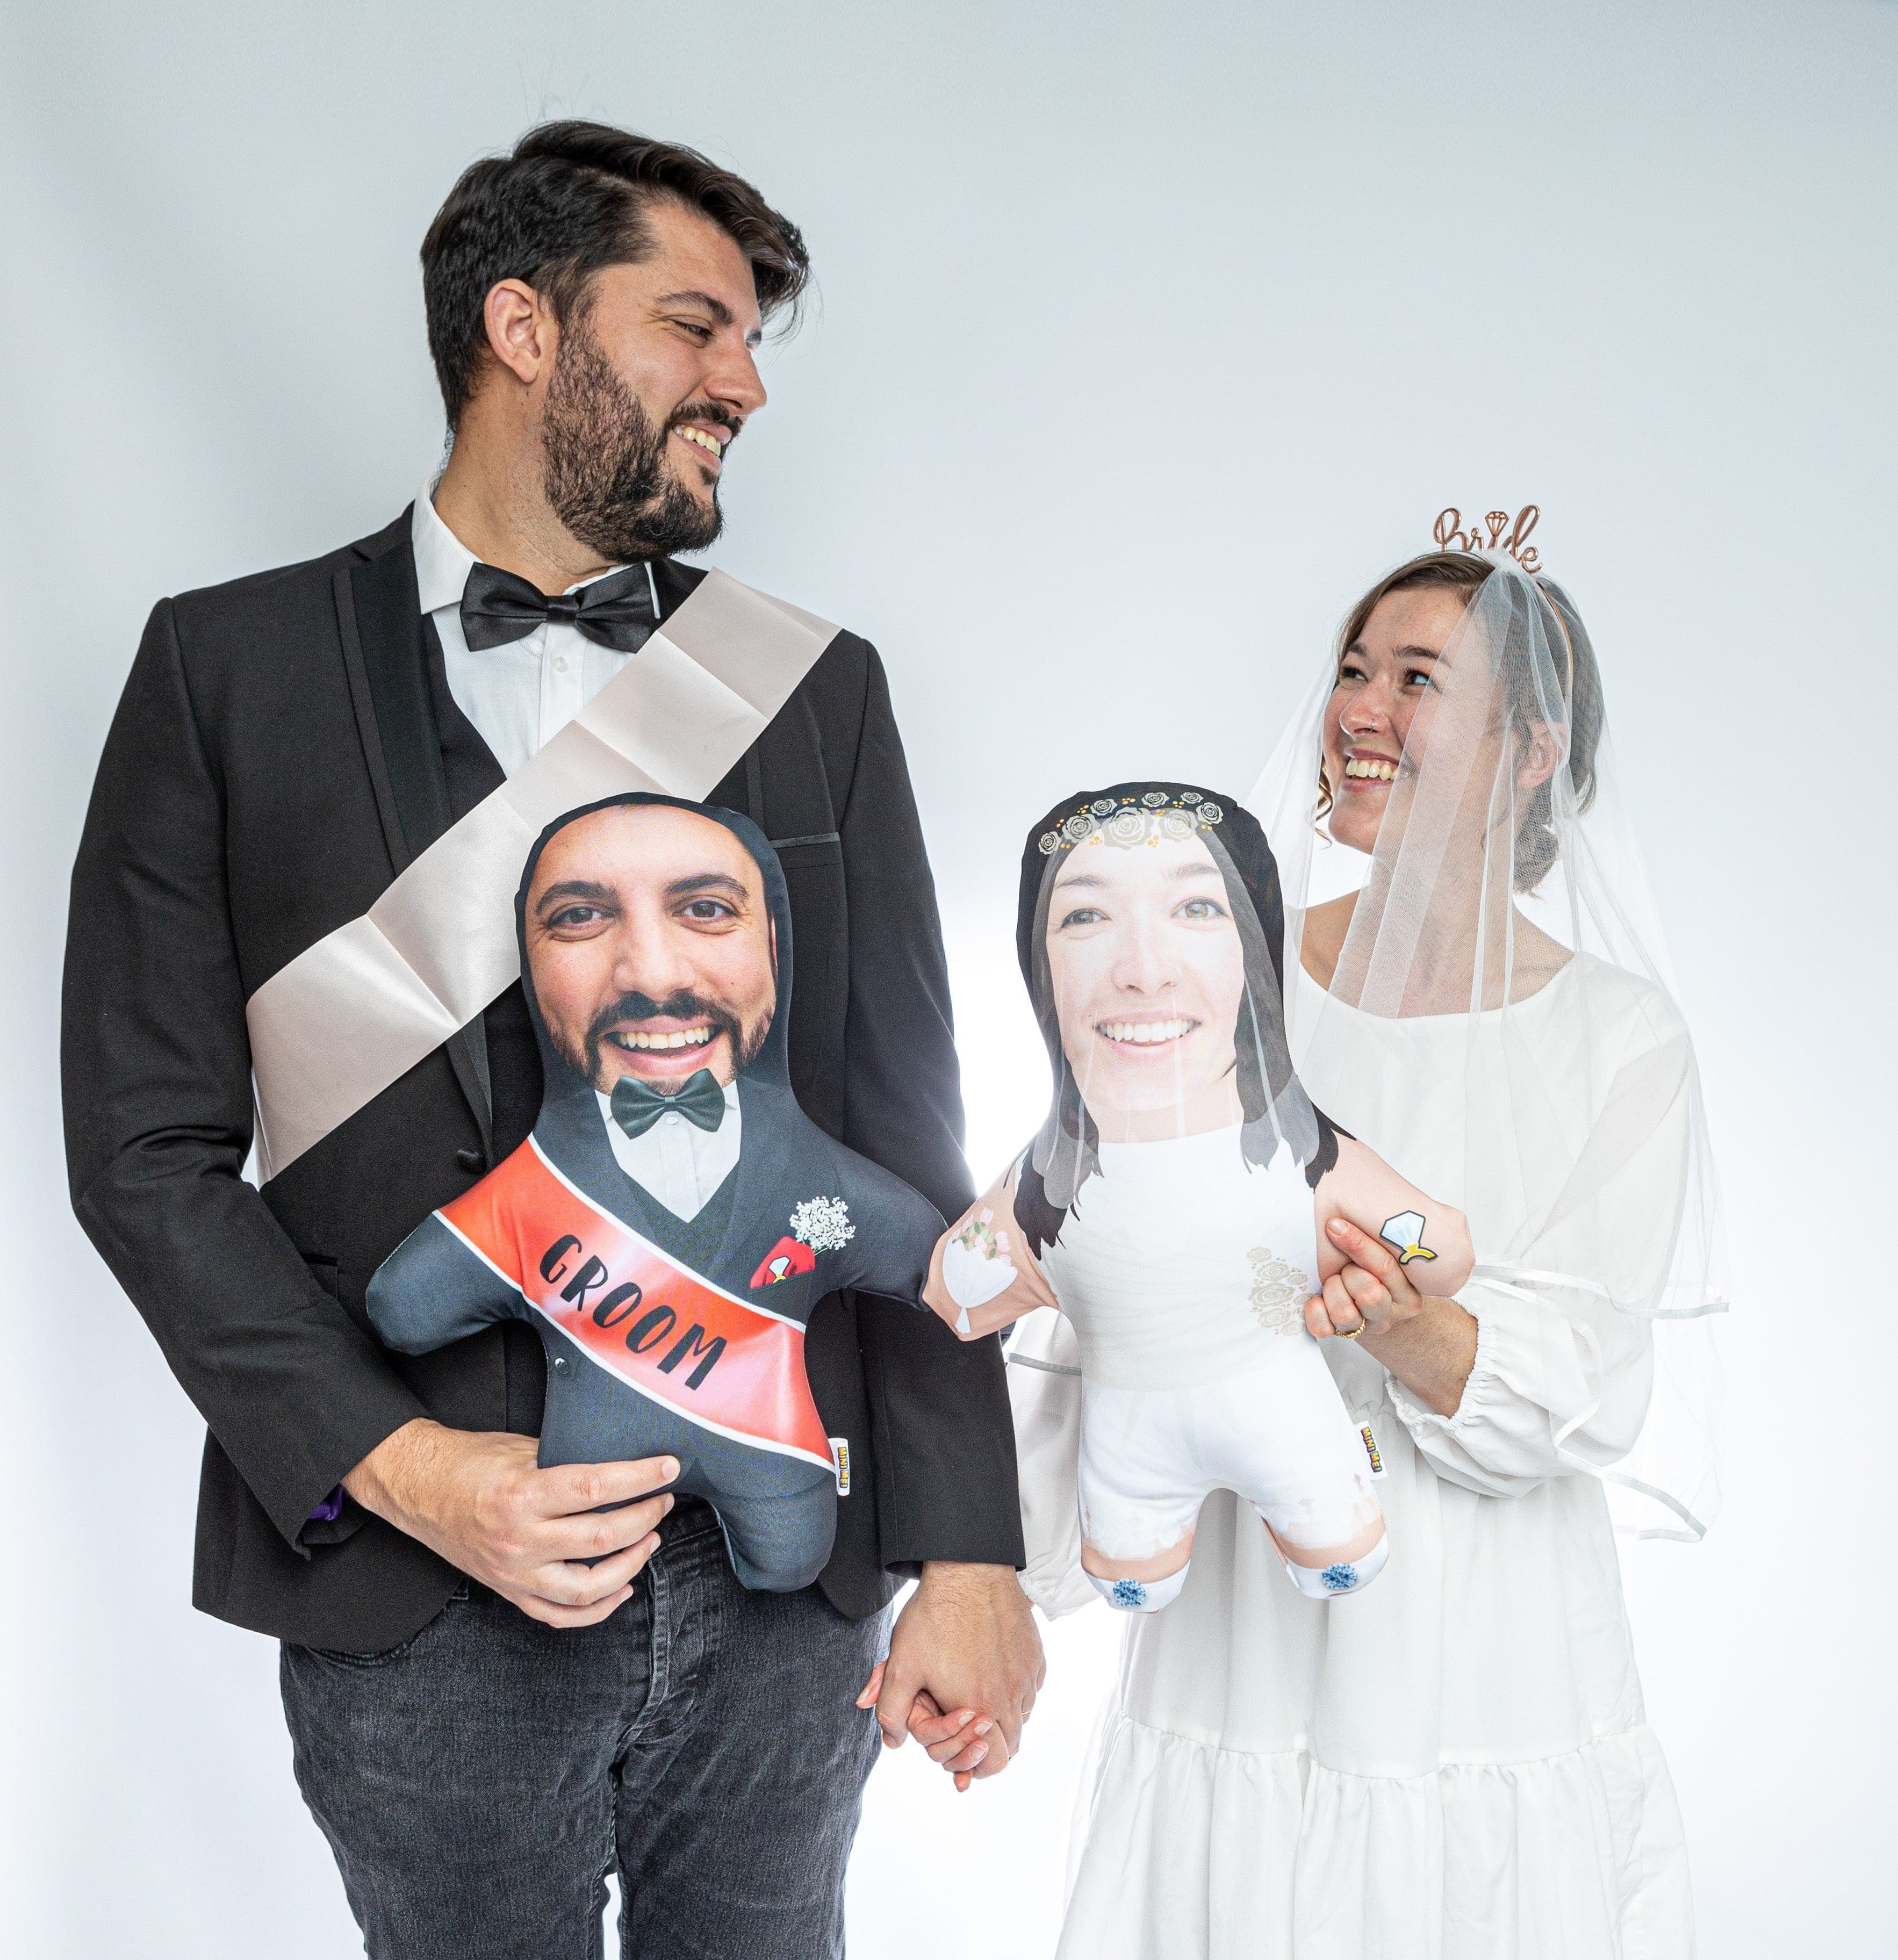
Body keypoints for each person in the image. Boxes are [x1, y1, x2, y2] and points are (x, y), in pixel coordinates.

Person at [61, 121, 1039, 1958]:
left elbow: (910, 1137)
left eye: (747, 340)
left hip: (785, 1583)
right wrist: (404, 1465)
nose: (742, 383)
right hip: (419, 1578)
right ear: (524, 328)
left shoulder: (815, 687)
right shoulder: (224, 670)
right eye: (694, 326)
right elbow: (143, 1151)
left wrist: (971, 1545)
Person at [1013, 527, 1724, 1957]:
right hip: (1242, 1631)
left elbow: (1585, 1379)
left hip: (1482, 1640)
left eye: (1416, 679)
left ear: (1530, 754)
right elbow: (1083, 1258)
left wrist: (1395, 1318)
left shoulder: (1619, 1039)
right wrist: (995, 1577)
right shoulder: (1219, 967)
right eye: (1351, 670)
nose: (1358, 710)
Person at [366, 795, 950, 1594]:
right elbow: (406, 1308)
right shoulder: (530, 1194)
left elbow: (947, 1272)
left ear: (774, 942)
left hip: (818, 1599)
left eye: (706, 910)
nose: (653, 975)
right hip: (481, 1570)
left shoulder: (826, 1184)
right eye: (580, 917)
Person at [919, 783, 1478, 1613]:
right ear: (1039, 965)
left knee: (1336, 1543)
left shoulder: (1305, 1154)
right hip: (1127, 1453)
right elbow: (954, 1295)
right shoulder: (1040, 1182)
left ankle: (1324, 1526)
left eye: (1195, 908)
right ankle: (1148, 1553)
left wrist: (1399, 1261)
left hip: (1289, 1421)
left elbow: (1440, 1249)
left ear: (1255, 949)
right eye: (1085, 917)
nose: (1143, 972)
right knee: (1133, 1572)